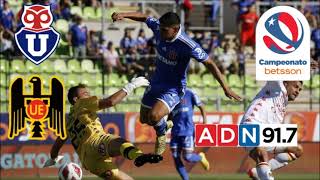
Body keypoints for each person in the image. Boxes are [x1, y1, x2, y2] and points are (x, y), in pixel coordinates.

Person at [112, 11, 241, 155]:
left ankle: (161, 135)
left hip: (173, 88)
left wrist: (226, 87)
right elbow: (144, 16)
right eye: (160, 28)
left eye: (164, 30)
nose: (160, 32)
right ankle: (165, 124)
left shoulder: (188, 45)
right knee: (144, 119)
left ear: (175, 29)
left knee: (154, 116)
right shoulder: (159, 27)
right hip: (156, 82)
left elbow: (209, 63)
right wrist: (123, 14)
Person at [43, 77, 163, 180]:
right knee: (118, 142)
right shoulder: (81, 103)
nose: (89, 96)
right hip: (95, 141)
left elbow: (57, 145)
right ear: (76, 99)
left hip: (89, 162)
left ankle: (138, 157)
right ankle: (138, 156)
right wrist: (130, 86)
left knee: (116, 176)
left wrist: (53, 158)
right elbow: (111, 102)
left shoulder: (67, 121)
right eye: (85, 94)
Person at [240, 61, 318, 180]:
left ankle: (258, 172)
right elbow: (276, 66)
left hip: (267, 132)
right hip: (251, 125)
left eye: (300, 90)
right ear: (286, 83)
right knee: (261, 152)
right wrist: (303, 66)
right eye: (296, 86)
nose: (298, 91)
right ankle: (266, 176)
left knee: (297, 150)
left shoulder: (283, 102)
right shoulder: (276, 86)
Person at [169, 88, 210, 180]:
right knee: (175, 157)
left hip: (187, 131)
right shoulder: (170, 95)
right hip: (175, 132)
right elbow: (169, 113)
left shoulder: (190, 92)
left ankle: (200, 157)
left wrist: (205, 123)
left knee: (187, 157)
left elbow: (201, 106)